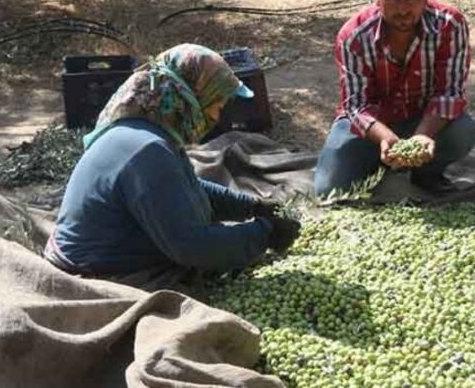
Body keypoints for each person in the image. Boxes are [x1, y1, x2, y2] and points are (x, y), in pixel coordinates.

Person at [44, 44, 301, 292]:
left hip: (102, 256)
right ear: (194, 96)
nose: (217, 115)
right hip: (96, 274)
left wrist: (250, 206)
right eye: (217, 103)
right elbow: (191, 247)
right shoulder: (149, 151)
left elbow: (185, 188)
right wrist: (265, 235)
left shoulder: (146, 133)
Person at [314, 0, 475, 196]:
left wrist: (422, 137)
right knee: (328, 190)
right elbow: (356, 106)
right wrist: (385, 139)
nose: (402, 9)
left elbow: (450, 93)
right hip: (372, 127)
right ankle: (379, 163)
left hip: (422, 119)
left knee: (463, 130)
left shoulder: (449, 25)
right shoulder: (354, 36)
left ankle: (426, 173)